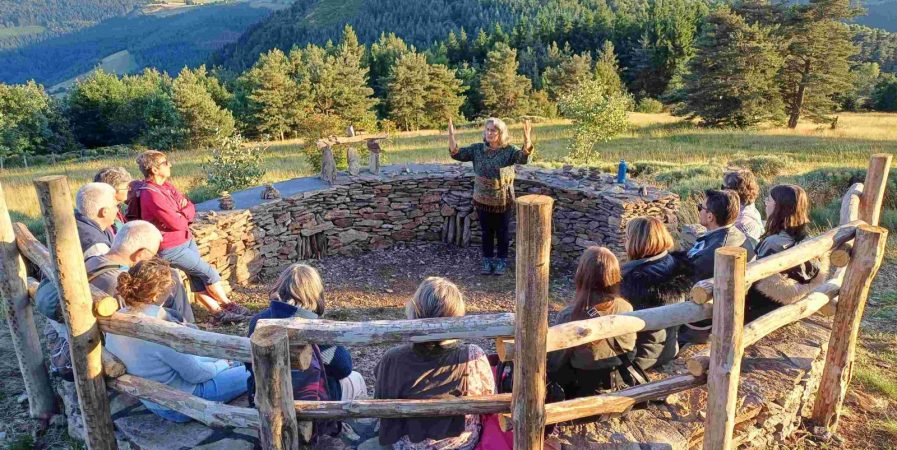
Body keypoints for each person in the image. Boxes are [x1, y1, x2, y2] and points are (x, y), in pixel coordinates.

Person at [105, 258, 248, 423]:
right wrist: (223, 364)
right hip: (181, 403)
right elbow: (196, 375)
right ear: (156, 295)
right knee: (251, 370)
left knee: (234, 361)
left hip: (153, 399)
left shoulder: (116, 318)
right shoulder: (159, 331)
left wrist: (219, 361)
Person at [127, 149, 249, 323]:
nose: (170, 165)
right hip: (170, 247)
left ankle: (217, 312)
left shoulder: (166, 186)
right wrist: (183, 214)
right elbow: (176, 222)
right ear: (154, 169)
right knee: (209, 273)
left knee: (197, 277)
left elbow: (189, 205)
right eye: (165, 163)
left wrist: (182, 212)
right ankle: (228, 304)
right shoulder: (151, 194)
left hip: (185, 238)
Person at [375, 277, 494, 450]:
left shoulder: (392, 358)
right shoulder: (472, 356)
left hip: (409, 445)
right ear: (457, 317)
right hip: (461, 444)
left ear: (415, 310)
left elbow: (380, 399)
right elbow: (489, 399)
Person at [247, 264, 366, 403]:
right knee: (355, 378)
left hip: (265, 398)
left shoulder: (258, 321)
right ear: (315, 294)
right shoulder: (316, 330)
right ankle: (361, 421)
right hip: (310, 401)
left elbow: (250, 365)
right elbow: (344, 368)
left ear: (280, 287)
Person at [548, 247, 636, 399]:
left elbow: (555, 362)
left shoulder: (569, 315)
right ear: (615, 275)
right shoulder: (626, 307)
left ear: (582, 275)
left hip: (580, 386)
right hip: (617, 379)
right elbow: (630, 347)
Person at [449, 118, 534, 276]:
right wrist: (451, 136)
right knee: (486, 231)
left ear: (501, 133)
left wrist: (527, 140)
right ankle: (487, 260)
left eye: (493, 130)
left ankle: (501, 261)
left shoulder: (509, 151)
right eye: (487, 130)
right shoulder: (477, 149)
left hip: (503, 199)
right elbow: (457, 154)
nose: (489, 133)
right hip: (482, 199)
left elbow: (524, 159)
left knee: (502, 231)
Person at [677, 189, 755, 344]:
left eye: (701, 207)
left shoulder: (716, 252)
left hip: (699, 324)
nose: (699, 210)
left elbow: (682, 283)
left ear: (710, 216)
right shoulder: (736, 236)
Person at [745, 184, 827, 322]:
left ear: (779, 207)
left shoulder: (773, 243)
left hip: (763, 308)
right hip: (789, 302)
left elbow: (754, 279)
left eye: (769, 200)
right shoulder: (804, 238)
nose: (766, 204)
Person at [620, 217, 691, 370]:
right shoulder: (676, 265)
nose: (624, 241)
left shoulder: (633, 281)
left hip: (641, 357)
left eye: (627, 237)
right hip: (670, 348)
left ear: (636, 242)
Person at [74, 182, 118, 258]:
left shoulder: (76, 220)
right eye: (115, 206)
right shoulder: (98, 249)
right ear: (104, 212)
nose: (117, 210)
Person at [723, 169, 763, 244]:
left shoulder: (740, 221)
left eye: (724, 187)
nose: (722, 191)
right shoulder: (750, 209)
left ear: (735, 191)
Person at [94, 166, 133, 232]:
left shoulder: (117, 208)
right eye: (126, 187)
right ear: (112, 191)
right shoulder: (103, 215)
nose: (129, 189)